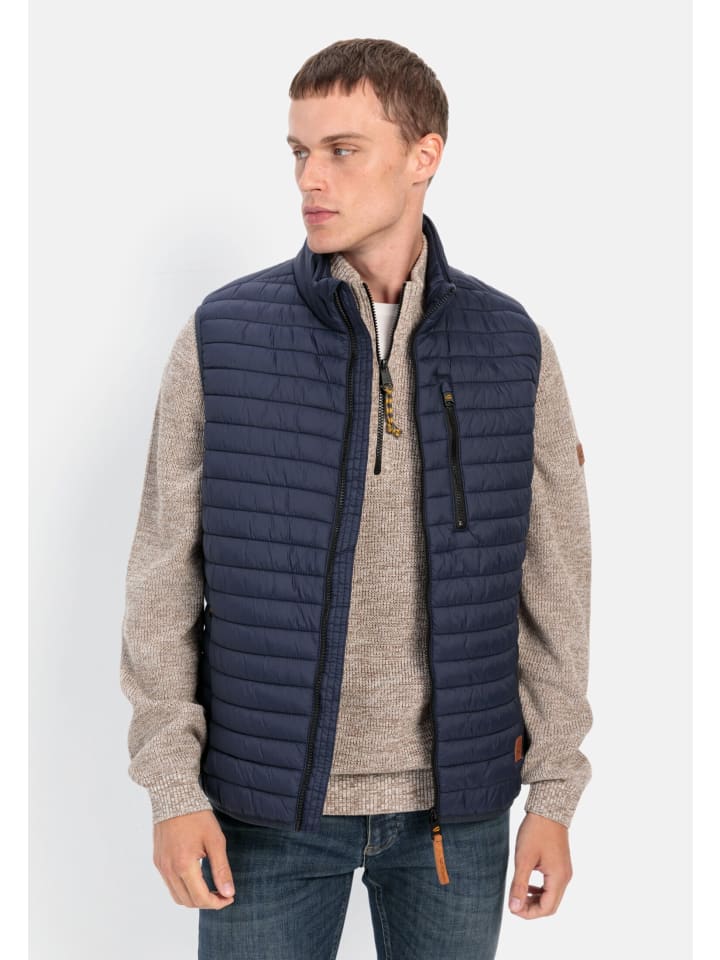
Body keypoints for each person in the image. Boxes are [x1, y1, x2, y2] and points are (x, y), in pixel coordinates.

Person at [120, 37, 593, 960]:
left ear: (425, 155)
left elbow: (555, 585)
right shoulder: (222, 338)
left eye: (342, 150)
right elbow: (161, 577)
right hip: (264, 817)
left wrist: (556, 794)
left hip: (456, 816)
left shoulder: (512, 346)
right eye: (300, 152)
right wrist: (172, 790)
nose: (311, 178)